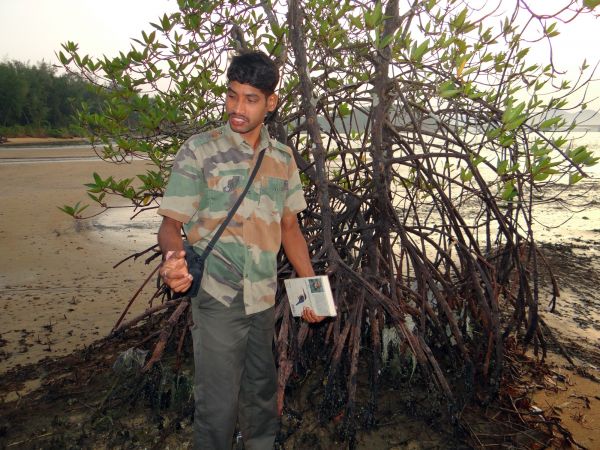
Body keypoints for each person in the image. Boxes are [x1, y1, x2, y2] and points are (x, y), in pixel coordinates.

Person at [157, 50, 322, 450]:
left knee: (261, 392)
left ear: (271, 102)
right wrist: (173, 261)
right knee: (217, 404)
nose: (237, 108)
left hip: (263, 296)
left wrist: (310, 287)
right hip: (217, 294)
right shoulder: (200, 150)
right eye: (232, 95)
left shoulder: (282, 158)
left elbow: (290, 228)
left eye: (250, 98)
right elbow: (170, 224)